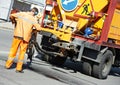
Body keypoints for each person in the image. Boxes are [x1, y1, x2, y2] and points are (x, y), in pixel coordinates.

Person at [5, 7, 41, 73]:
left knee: (13, 51)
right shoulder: (33, 19)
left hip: (17, 35)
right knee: (22, 53)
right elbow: (39, 28)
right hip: (25, 38)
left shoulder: (21, 14)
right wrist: (33, 31)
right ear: (35, 13)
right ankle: (18, 68)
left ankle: (7, 65)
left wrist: (14, 21)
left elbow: (11, 16)